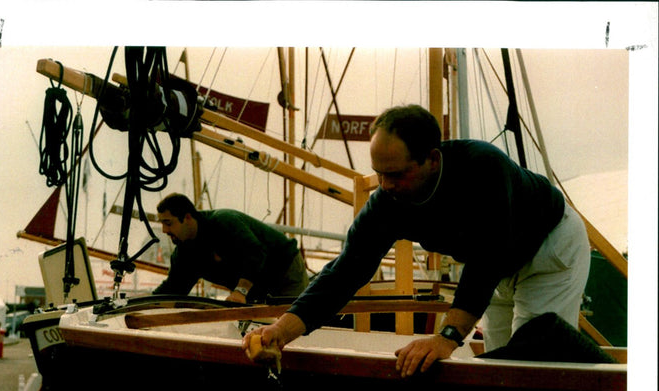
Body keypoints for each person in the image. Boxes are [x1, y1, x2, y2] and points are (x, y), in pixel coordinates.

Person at [244, 104, 590, 376]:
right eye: (379, 174)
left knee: (535, 357)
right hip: (497, 268)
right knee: (502, 367)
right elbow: (348, 269)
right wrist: (283, 328)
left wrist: (447, 338)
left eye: (396, 174)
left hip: (548, 248)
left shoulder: (483, 168)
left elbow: (488, 255)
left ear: (432, 160)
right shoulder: (387, 202)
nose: (385, 185)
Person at [153, 193, 310, 303]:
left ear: (187, 218)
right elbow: (174, 287)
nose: (164, 231)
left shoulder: (224, 222)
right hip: (256, 288)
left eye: (168, 223)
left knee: (294, 324)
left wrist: (240, 291)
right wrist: (142, 306)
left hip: (285, 271)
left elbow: (255, 254)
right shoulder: (184, 253)